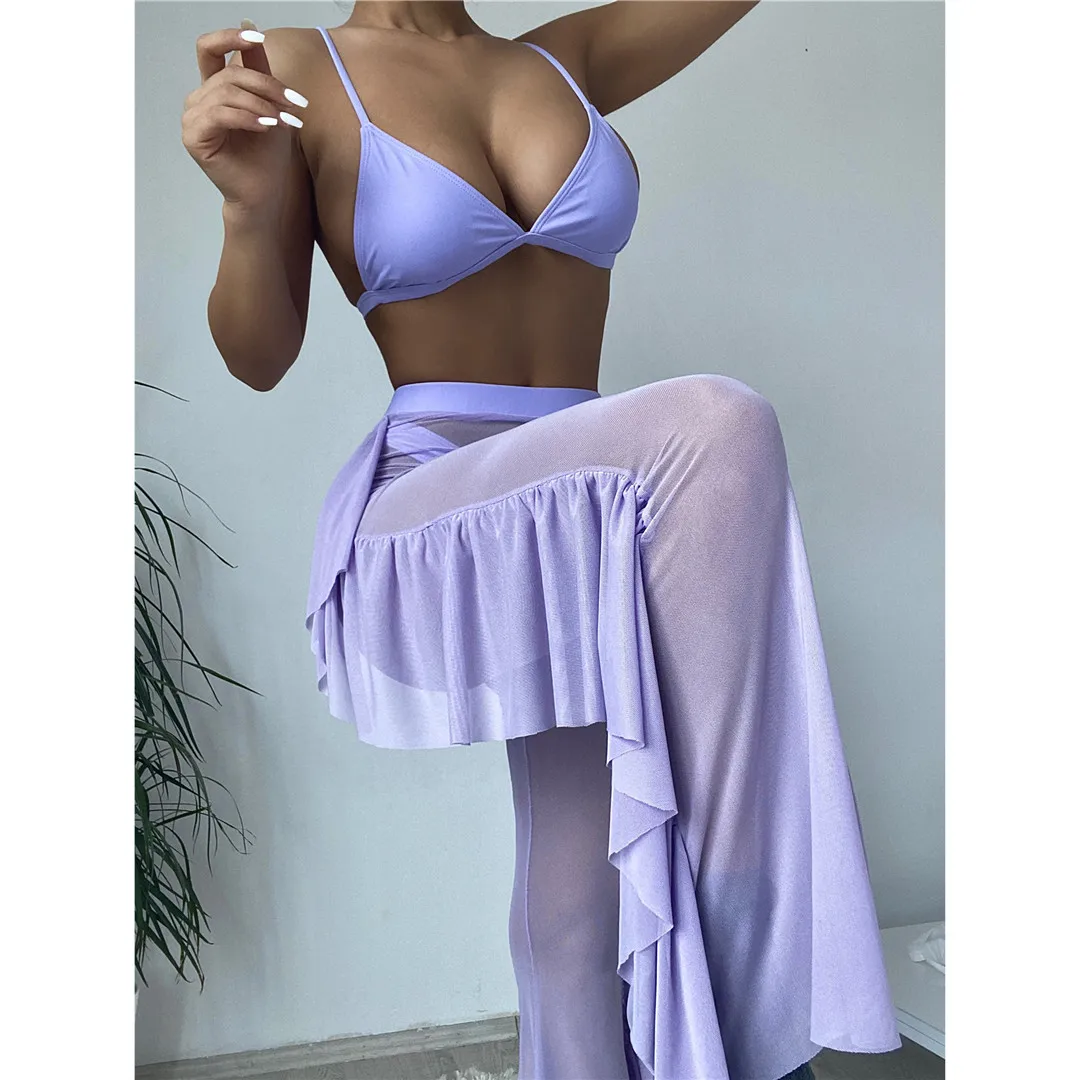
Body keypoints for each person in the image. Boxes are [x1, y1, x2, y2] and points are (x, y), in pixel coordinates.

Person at [181, 3, 902, 1078]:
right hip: (438, 499)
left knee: (580, 875)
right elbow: (258, 356)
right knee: (720, 424)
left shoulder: (564, 60)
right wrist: (248, 210)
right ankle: (743, 912)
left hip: (595, 510)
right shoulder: (298, 66)